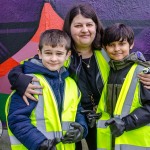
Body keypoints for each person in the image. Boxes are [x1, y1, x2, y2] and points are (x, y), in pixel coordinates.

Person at [7, 4, 150, 150]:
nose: (84, 30)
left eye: (89, 24)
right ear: (69, 28)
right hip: (73, 123)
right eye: (78, 25)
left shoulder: (107, 51)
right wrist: (18, 79)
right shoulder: (61, 53)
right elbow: (30, 65)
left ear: (96, 27)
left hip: (104, 122)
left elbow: (134, 61)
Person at [6, 29, 88, 150]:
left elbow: (77, 111)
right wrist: (40, 143)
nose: (53, 58)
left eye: (59, 53)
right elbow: (17, 119)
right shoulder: (29, 82)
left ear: (67, 55)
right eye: (48, 53)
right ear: (40, 53)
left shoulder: (71, 84)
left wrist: (81, 128)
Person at [96, 23, 150, 150]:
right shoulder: (109, 71)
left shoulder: (143, 72)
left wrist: (126, 123)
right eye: (111, 45)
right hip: (110, 142)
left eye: (122, 44)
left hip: (135, 143)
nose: (116, 49)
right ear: (105, 47)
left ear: (131, 44)